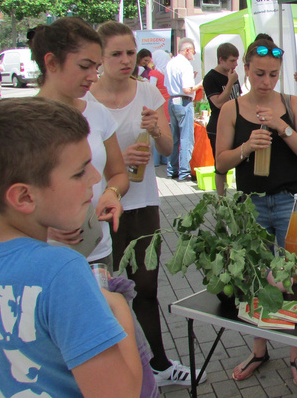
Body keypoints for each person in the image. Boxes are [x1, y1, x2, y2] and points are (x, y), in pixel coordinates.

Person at [0, 97, 142, 397]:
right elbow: (122, 393)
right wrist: (117, 306)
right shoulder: (62, 271)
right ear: (24, 197)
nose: (96, 177)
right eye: (80, 172)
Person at [88, 21, 203, 387]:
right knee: (105, 291)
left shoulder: (148, 92)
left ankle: (159, 363)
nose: (125, 61)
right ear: (100, 57)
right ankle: (115, 373)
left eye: (129, 53)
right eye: (115, 54)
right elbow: (79, 162)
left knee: (146, 287)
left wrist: (156, 130)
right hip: (101, 207)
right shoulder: (85, 99)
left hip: (143, 203)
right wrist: (116, 160)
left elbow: (169, 151)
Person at [215, 40, 297, 388]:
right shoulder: (231, 109)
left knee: (293, 277)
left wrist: (281, 126)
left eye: (273, 75)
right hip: (252, 202)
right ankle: (259, 350)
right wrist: (246, 147)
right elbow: (219, 162)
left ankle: (296, 351)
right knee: (254, 278)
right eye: (259, 73)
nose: (266, 81)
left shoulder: (292, 103)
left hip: (292, 199)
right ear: (245, 69)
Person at [31, 17, 129, 269]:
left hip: (96, 250)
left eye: (96, 67)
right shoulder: (19, 122)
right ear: (51, 62)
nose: (93, 77)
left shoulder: (98, 114)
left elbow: (118, 174)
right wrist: (43, 225)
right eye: (85, 66)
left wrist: (111, 193)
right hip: (40, 254)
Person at [203, 42, 241, 195]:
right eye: (232, 60)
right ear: (221, 59)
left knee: (241, 159)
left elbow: (238, 97)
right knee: (221, 165)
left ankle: (241, 196)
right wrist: (230, 82)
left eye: (236, 60)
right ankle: (222, 199)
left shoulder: (233, 74)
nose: (235, 64)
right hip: (218, 126)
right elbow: (218, 103)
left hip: (237, 124)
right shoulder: (211, 78)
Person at [166, 38, 203, 181]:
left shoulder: (171, 63)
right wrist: (199, 85)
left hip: (172, 100)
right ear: (187, 50)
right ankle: (184, 171)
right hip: (183, 101)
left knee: (175, 137)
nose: (193, 54)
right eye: (193, 51)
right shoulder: (185, 64)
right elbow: (187, 89)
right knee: (186, 137)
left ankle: (171, 169)